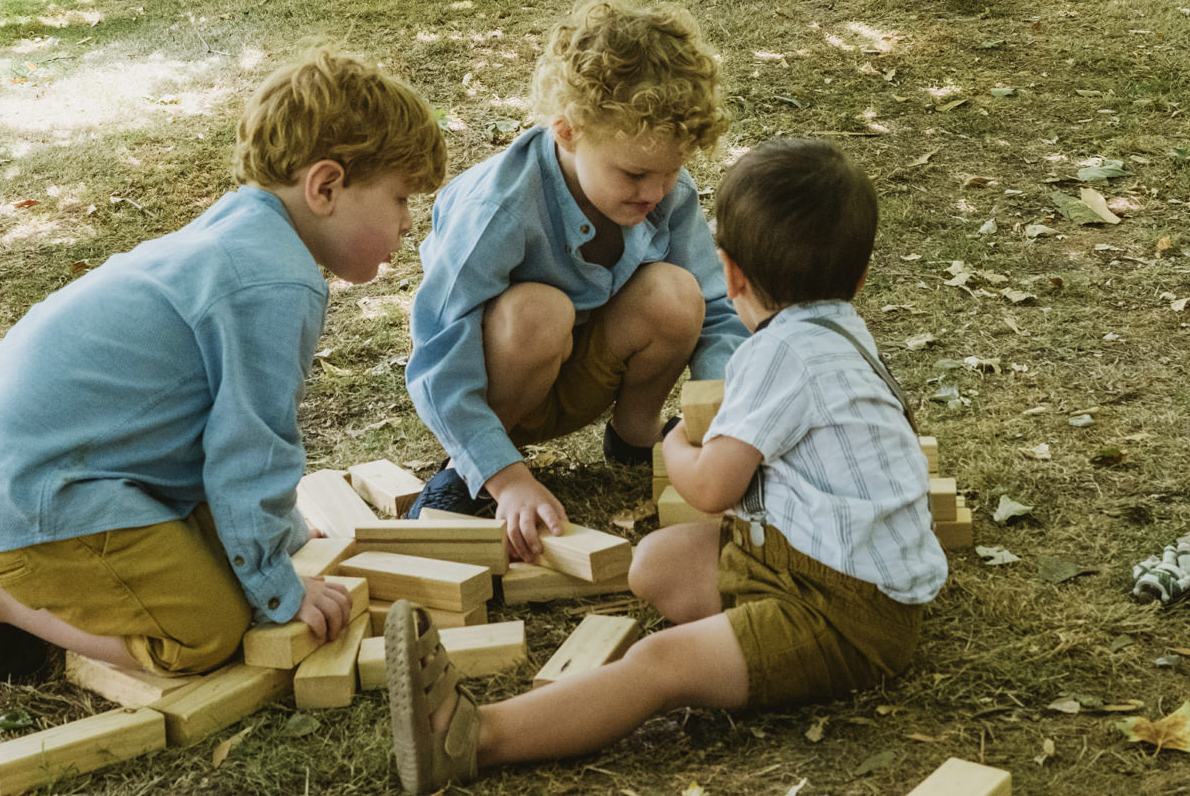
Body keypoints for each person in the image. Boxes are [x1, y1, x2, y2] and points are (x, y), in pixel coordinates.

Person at [382, 137, 946, 793]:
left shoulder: (779, 356)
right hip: (809, 563)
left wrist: (677, 441)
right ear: (858, 278)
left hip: (842, 616)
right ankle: (739, 644)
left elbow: (710, 486)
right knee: (653, 563)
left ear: (731, 274)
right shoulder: (844, 328)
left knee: (659, 662)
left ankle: (473, 737)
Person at [0, 50, 446, 683]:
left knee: (225, 574)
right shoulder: (276, 284)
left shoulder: (243, 235)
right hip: (32, 498)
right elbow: (251, 449)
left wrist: (287, 537)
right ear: (324, 187)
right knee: (207, 633)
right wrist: (281, 586)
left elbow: (216, 443)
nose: (409, 223)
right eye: (401, 199)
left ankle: (20, 579)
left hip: (17, 473)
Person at [402, 0, 744, 562]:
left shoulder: (661, 189)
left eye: (672, 170)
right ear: (567, 131)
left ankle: (636, 440)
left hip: (585, 369)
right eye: (635, 173)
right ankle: (479, 468)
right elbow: (439, 354)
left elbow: (717, 310)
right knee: (537, 310)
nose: (655, 193)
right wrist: (504, 474)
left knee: (677, 294)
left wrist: (723, 415)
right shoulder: (498, 208)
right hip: (504, 383)